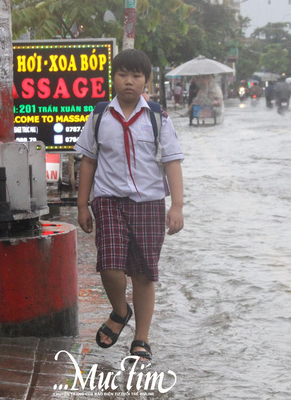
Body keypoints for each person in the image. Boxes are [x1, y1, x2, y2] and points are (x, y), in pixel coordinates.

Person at [74, 49, 184, 362]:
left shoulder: (157, 117)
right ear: (113, 78)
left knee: (144, 274)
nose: (129, 82)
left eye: (136, 76)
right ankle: (120, 311)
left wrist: (176, 206)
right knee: (109, 264)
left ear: (146, 81)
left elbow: (173, 161)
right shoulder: (99, 116)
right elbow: (88, 161)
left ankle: (141, 338)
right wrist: (83, 205)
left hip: (149, 203)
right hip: (108, 200)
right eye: (123, 74)